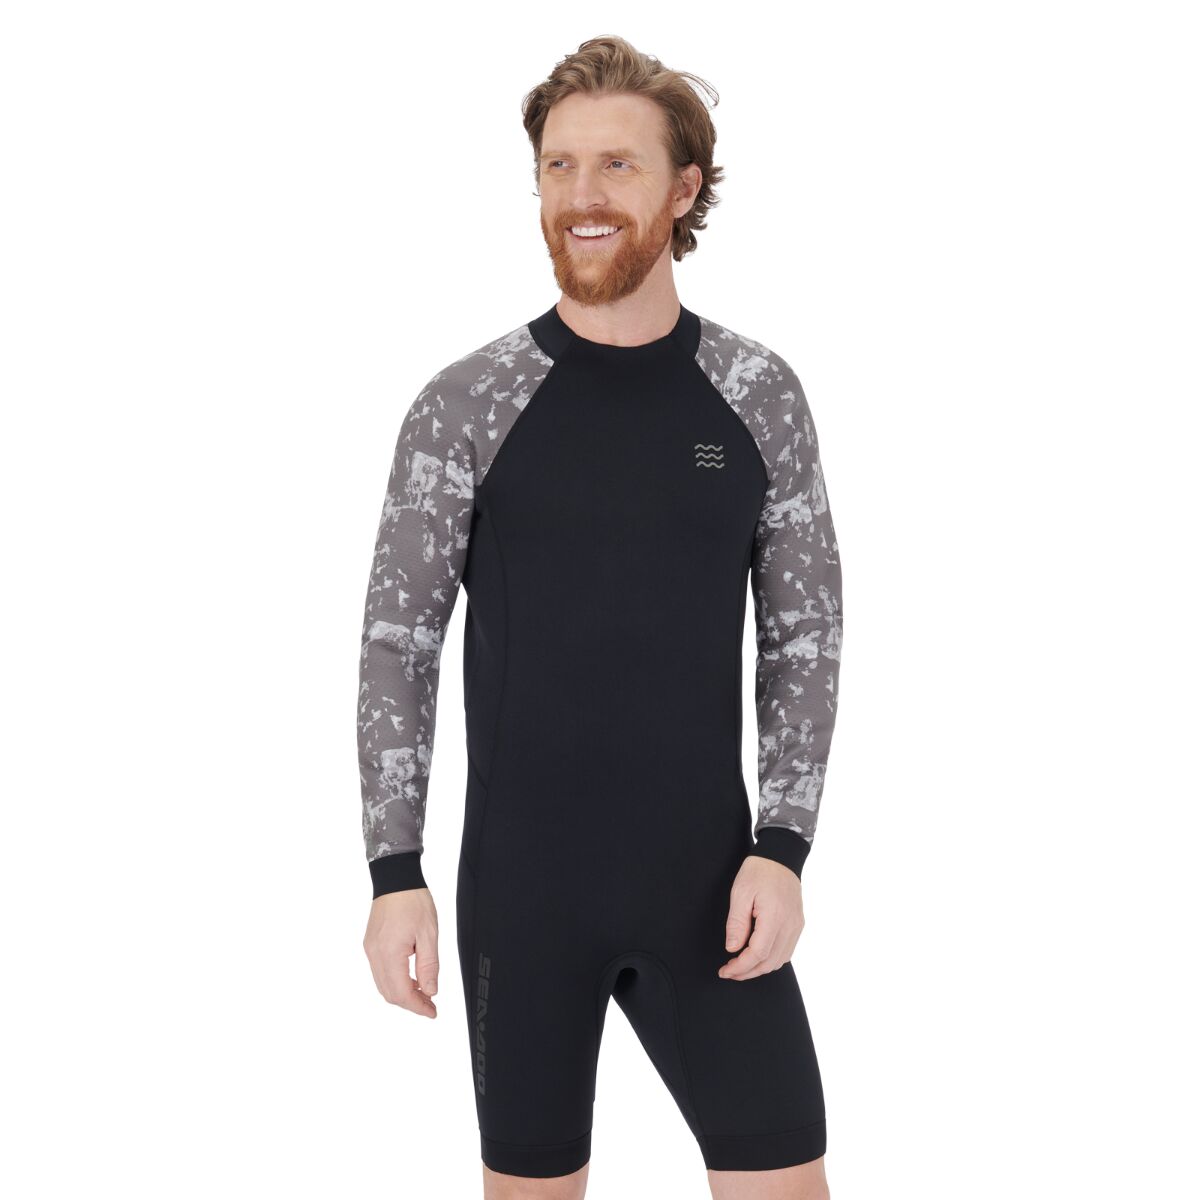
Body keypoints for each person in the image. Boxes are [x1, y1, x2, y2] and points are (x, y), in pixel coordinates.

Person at [358, 35, 843, 1200]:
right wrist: (391, 870)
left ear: (683, 189)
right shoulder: (467, 404)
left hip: (712, 893)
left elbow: (805, 636)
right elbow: (397, 645)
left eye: (618, 165)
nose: (582, 195)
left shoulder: (757, 394)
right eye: (559, 165)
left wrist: (783, 849)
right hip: (524, 899)